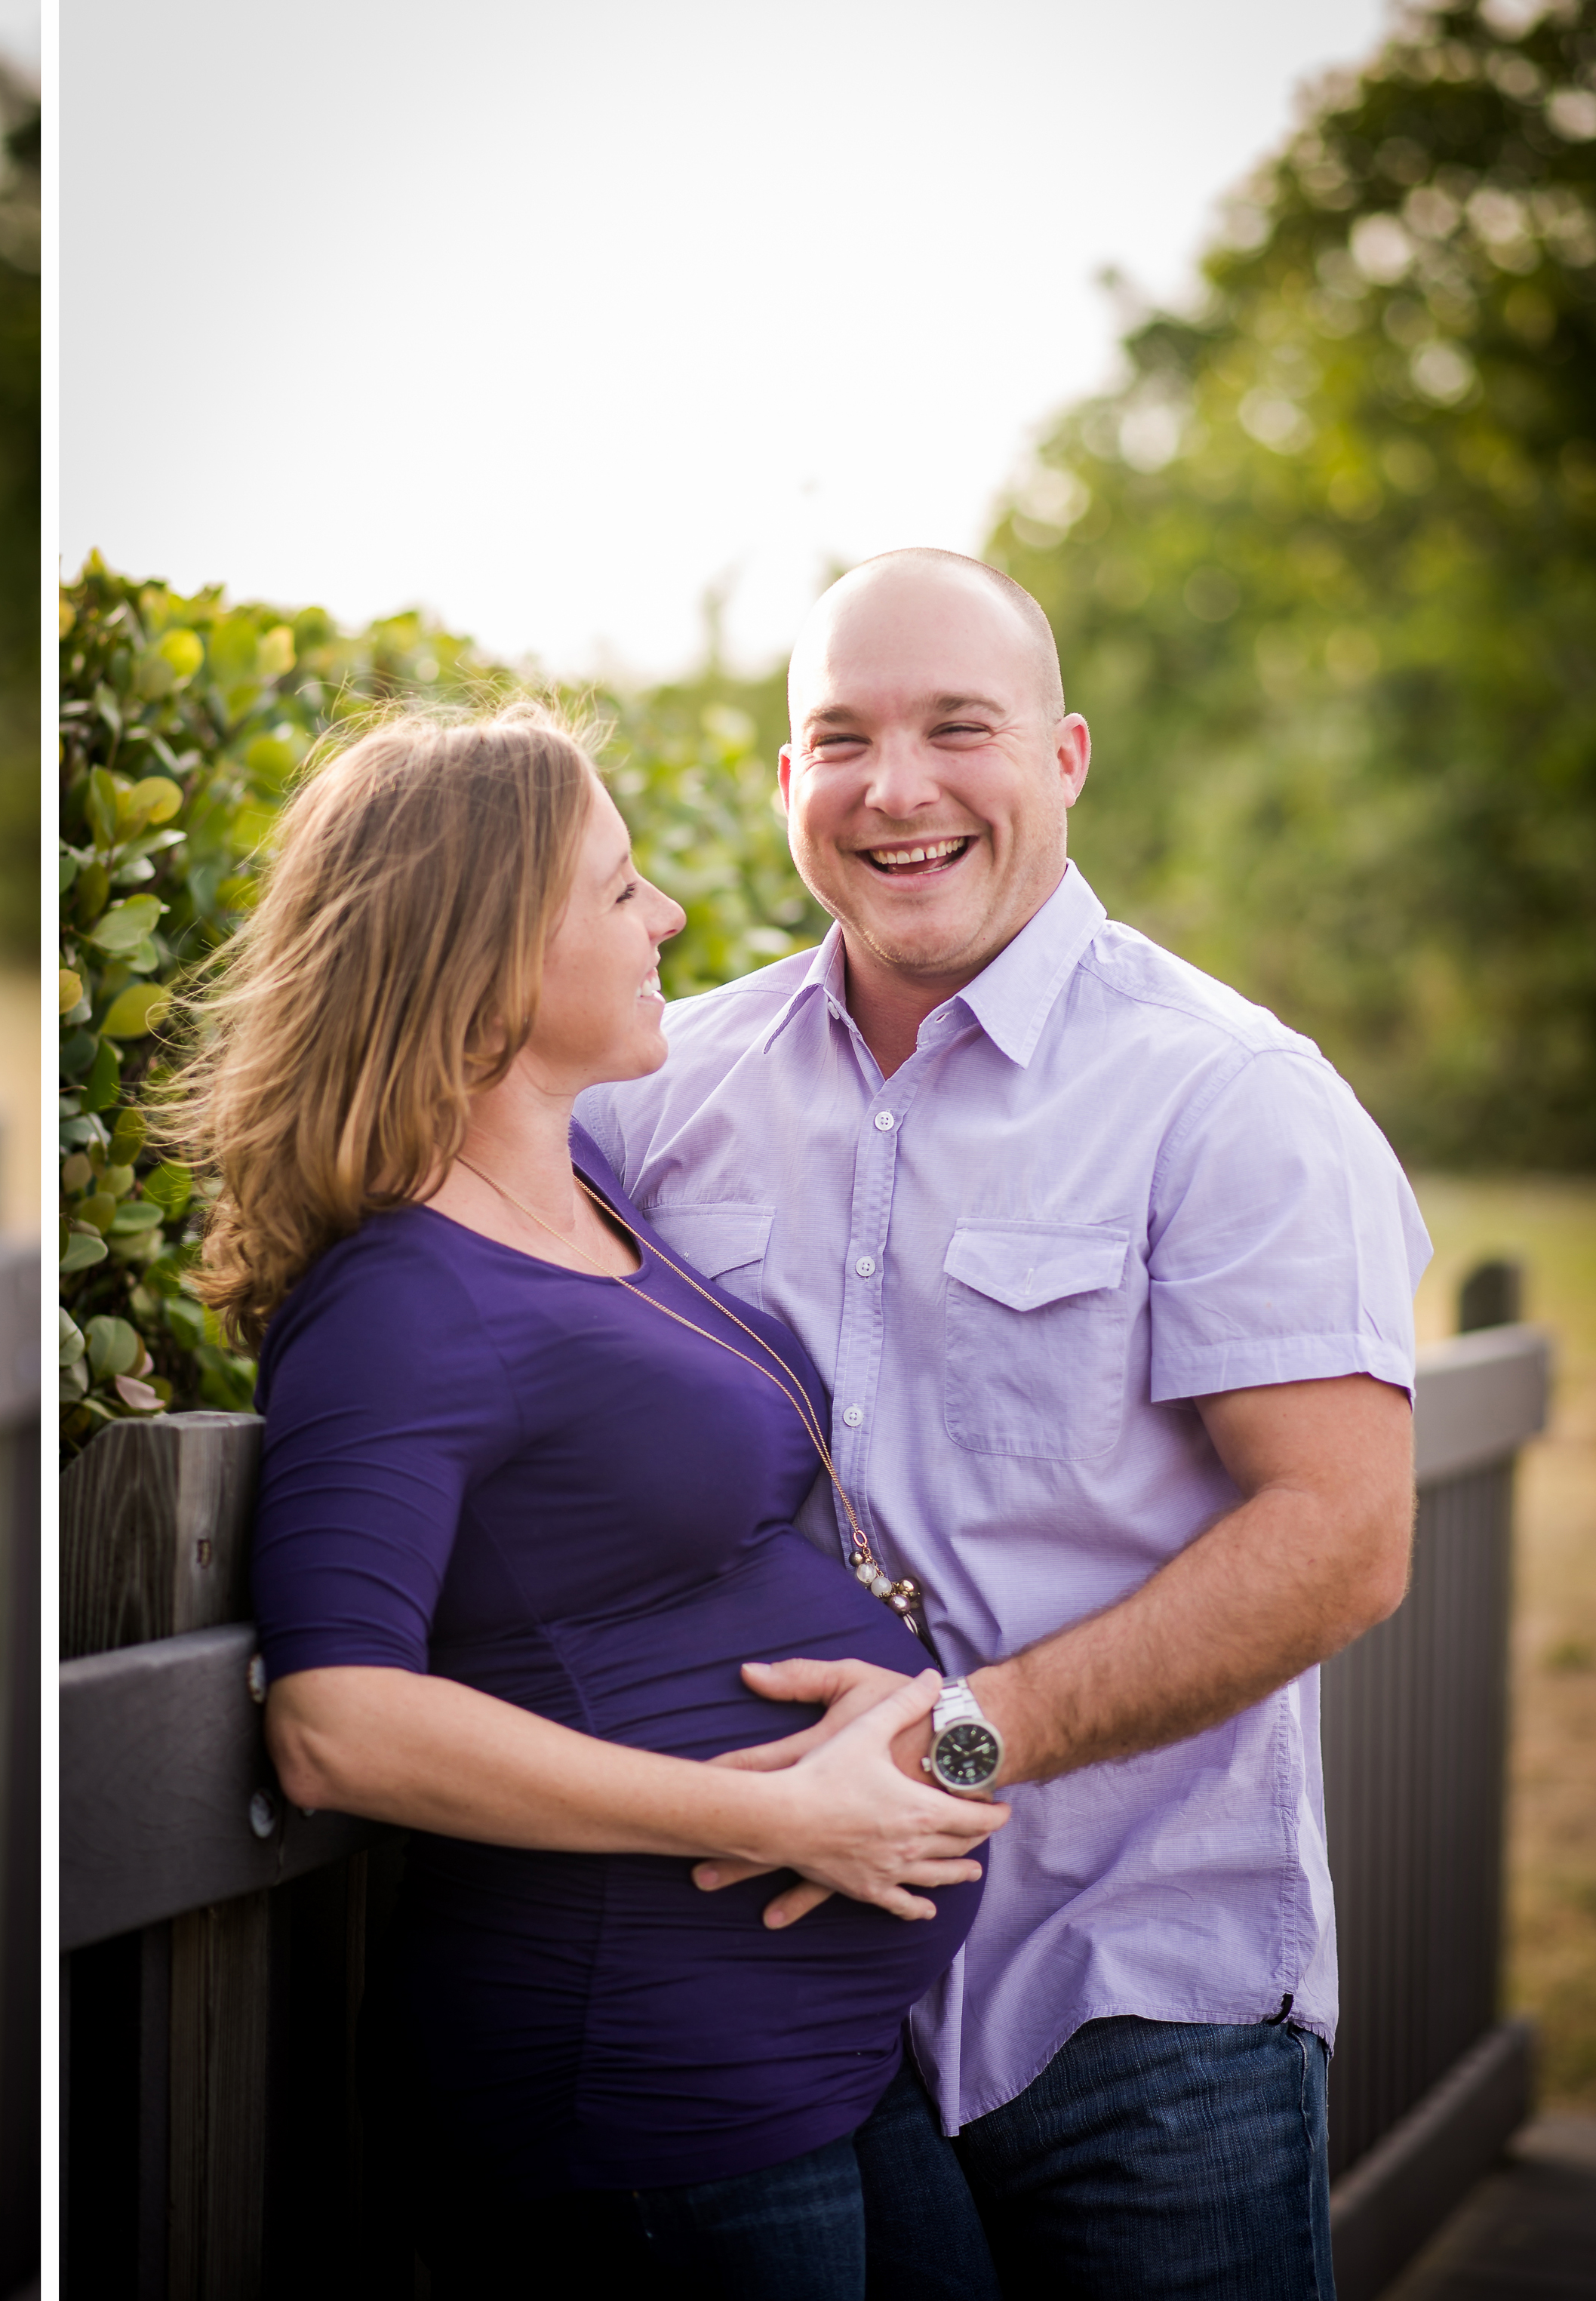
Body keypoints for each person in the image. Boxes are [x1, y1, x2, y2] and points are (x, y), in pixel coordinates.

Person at [576, 548, 1427, 2301]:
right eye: (841, 739)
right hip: (779, 2006)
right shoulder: (657, 1100)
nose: (896, 789)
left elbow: (1338, 1537)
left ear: (1063, 756)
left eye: (956, 727)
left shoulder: (1227, 1100)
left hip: (1137, 2015)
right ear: (785, 781)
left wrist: (956, 1746)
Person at [167, 703, 1014, 2297]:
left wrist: (923, 1737)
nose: (668, 916)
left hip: (814, 2056)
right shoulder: (402, 1301)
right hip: (637, 2088)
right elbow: (338, 1723)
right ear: (489, 958)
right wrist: (776, 1814)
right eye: (621, 890)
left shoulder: (590, 1201)